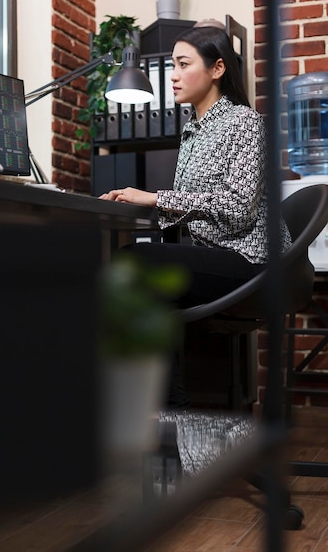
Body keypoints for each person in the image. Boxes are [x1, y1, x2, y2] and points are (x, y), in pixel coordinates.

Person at [99, 24, 292, 408]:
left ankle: (171, 410)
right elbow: (194, 206)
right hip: (227, 256)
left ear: (217, 68)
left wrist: (155, 198)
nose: (172, 75)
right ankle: (171, 414)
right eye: (172, 64)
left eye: (183, 64)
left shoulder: (243, 122)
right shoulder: (194, 130)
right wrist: (135, 203)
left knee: (134, 265)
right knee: (142, 278)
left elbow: (237, 209)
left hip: (255, 261)